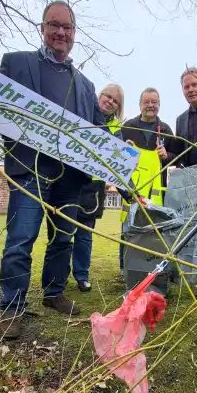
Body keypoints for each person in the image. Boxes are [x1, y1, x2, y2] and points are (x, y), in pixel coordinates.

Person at [0, 0, 105, 339]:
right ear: (42, 28)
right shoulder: (16, 64)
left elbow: (98, 132)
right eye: (53, 25)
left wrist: (119, 154)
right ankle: (11, 307)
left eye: (67, 27)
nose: (60, 32)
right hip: (30, 170)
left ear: (74, 34)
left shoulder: (86, 86)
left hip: (70, 179)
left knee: (63, 239)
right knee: (21, 239)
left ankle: (53, 293)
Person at [71, 84, 124, 292]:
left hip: (93, 186)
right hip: (71, 179)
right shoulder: (82, 112)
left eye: (115, 101)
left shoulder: (115, 130)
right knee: (64, 231)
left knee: (84, 234)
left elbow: (119, 159)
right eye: (107, 96)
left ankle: (81, 275)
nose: (110, 101)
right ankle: (57, 276)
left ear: (118, 107)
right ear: (99, 95)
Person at [120, 88, 175, 273]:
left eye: (154, 102)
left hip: (155, 193)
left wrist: (167, 155)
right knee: (128, 229)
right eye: (147, 102)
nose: (151, 105)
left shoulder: (166, 130)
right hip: (131, 190)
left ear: (159, 104)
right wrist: (123, 150)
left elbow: (177, 156)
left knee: (154, 232)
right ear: (140, 104)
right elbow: (116, 155)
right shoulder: (127, 127)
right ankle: (125, 268)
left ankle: (151, 268)